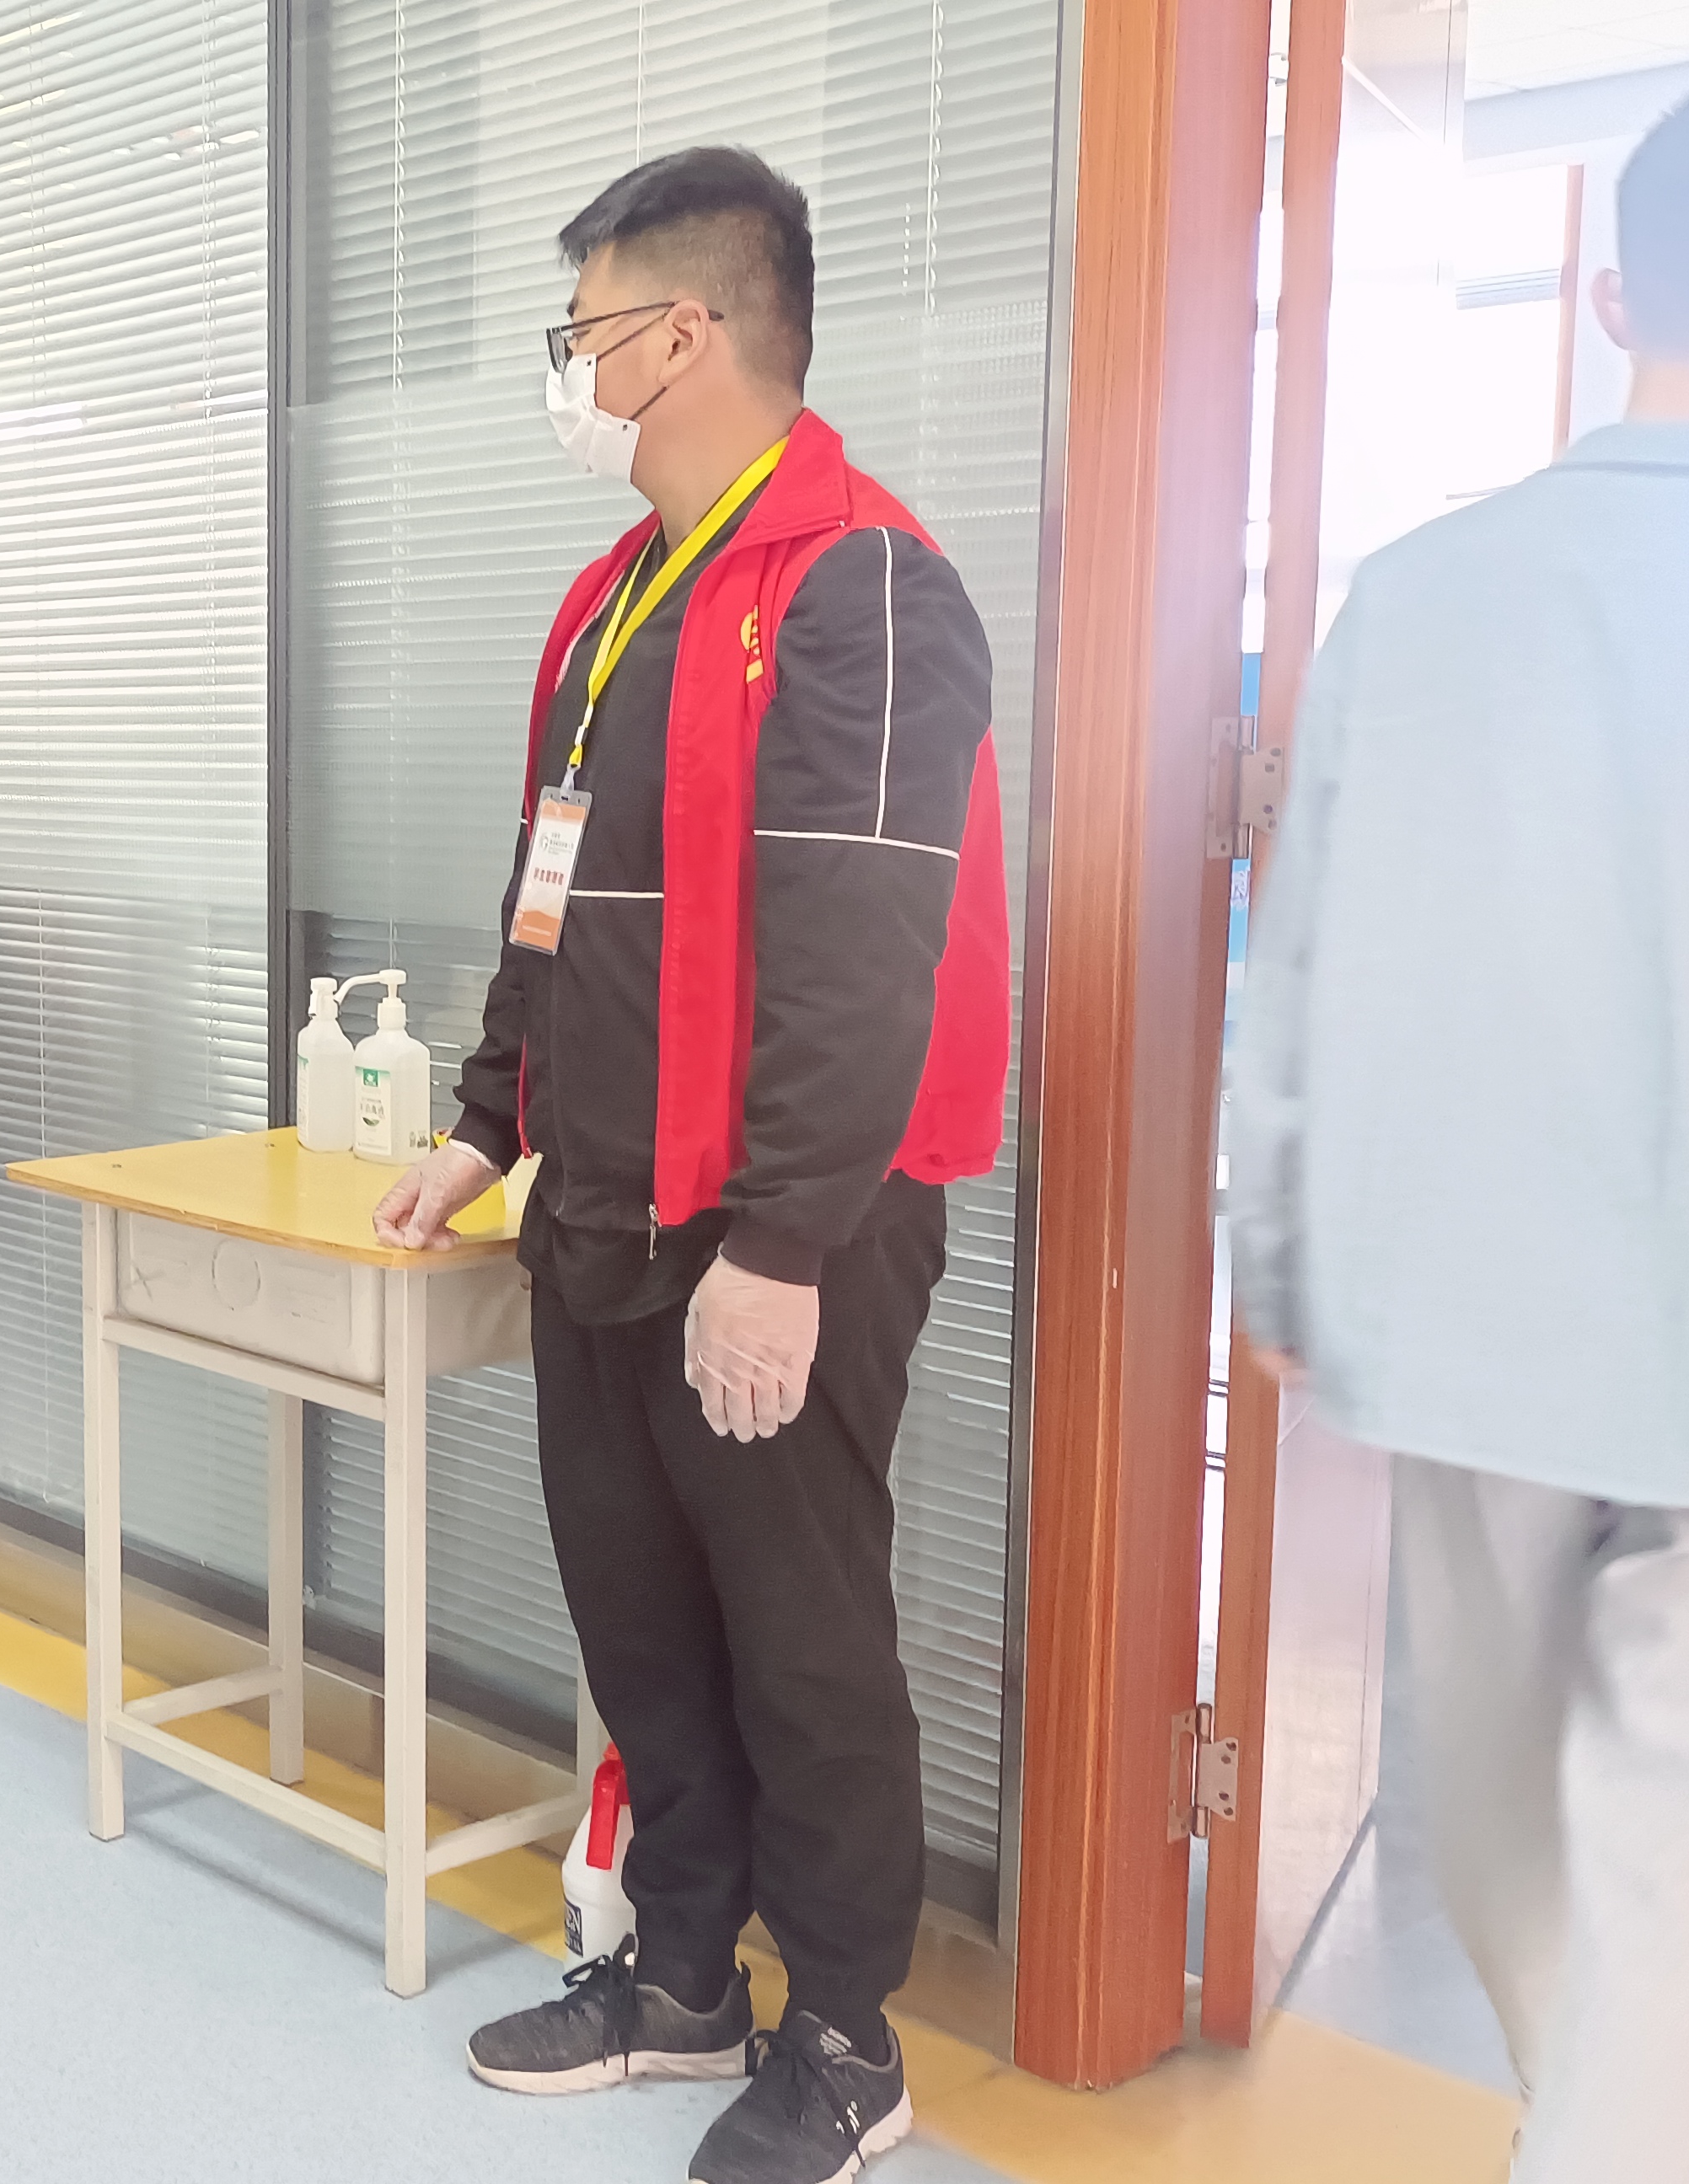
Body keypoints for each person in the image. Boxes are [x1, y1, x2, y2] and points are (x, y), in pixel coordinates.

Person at [1232, 71, 1689, 2184]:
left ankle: (1577, 2131)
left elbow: (1301, 956)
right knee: (1685, 1881)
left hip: (1470, 1325)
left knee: (1499, 1822)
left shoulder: (1416, 595)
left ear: (1610, 298)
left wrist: (1277, 1253)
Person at [372, 147, 1010, 2184]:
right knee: (642, 1628)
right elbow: (552, 906)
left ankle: (844, 2041)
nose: (565, 368)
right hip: (601, 1209)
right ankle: (679, 1980)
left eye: (579, 331)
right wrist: (485, 1126)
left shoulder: (860, 585)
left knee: (801, 1646)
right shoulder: (613, 599)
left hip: (776, 1231)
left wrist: (786, 1244)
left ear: (682, 332)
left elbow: (863, 954)